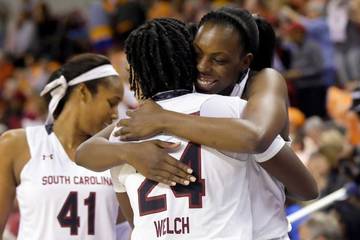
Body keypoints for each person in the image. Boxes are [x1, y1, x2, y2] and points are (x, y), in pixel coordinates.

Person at [76, 16, 317, 239]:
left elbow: (136, 221)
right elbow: (306, 188)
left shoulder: (123, 133)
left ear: (136, 75)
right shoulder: (234, 112)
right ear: (188, 60)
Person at [0, 53, 130, 239]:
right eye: (112, 103)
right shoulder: (16, 145)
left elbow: (124, 230)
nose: (115, 115)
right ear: (83, 92)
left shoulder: (117, 152)